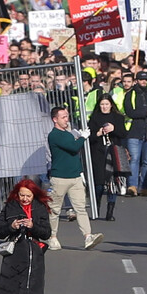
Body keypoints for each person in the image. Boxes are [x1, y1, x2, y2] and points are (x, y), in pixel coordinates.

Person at [0, 179, 52, 294]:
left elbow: (46, 232)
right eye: (22, 195)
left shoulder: (40, 208)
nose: (25, 199)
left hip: (34, 254)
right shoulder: (10, 208)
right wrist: (11, 226)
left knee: (32, 293)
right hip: (14, 256)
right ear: (16, 194)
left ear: (34, 195)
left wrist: (33, 225)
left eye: (28, 195)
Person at [46, 106, 104, 251]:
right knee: (54, 210)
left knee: (80, 208)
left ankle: (87, 236)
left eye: (67, 116)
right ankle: (52, 237)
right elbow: (72, 147)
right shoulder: (54, 135)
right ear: (55, 120)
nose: (67, 119)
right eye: (63, 117)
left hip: (75, 177)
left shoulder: (68, 133)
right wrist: (83, 137)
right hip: (59, 178)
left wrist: (79, 137)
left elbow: (74, 147)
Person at [88, 95, 127, 221]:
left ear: (111, 105)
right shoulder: (94, 118)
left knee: (113, 182)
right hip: (98, 152)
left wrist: (113, 129)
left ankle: (110, 211)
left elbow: (123, 134)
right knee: (98, 183)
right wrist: (98, 133)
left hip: (114, 151)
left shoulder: (118, 117)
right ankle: (96, 208)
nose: (104, 107)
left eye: (106, 104)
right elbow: (89, 137)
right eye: (102, 104)